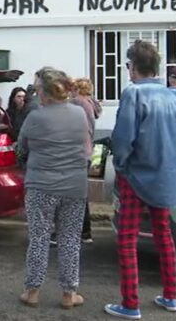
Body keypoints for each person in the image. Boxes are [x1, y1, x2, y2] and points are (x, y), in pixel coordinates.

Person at [105, 40, 176, 319]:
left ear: (133, 66)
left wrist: (120, 163)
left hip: (137, 175)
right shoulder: (172, 96)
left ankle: (130, 303)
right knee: (164, 235)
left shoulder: (133, 94)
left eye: (128, 65)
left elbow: (125, 137)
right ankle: (171, 296)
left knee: (127, 238)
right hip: (165, 174)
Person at [17, 68, 90, 310]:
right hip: (75, 185)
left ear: (46, 93)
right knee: (70, 239)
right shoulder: (80, 114)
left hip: (41, 186)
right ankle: (69, 294)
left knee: (39, 237)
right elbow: (86, 143)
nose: (34, 92)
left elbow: (21, 150)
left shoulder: (35, 117)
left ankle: (32, 291)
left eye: (37, 88)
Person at [71, 77, 103, 245]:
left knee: (76, 195)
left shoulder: (78, 103)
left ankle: (81, 231)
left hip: (78, 153)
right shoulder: (90, 103)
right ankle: (85, 231)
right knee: (81, 194)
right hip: (87, 152)